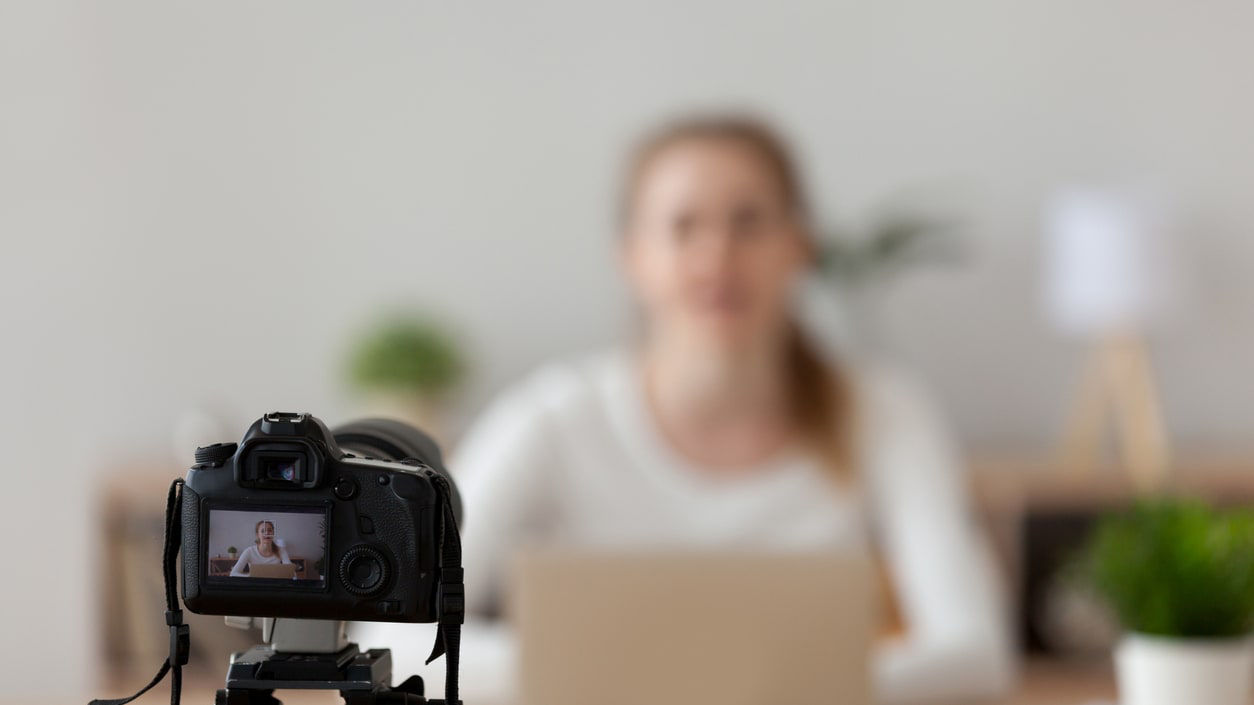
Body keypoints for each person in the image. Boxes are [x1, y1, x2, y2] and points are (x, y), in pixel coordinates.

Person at [364, 115, 1016, 703]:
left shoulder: (884, 412)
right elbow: (391, 640)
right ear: (633, 257)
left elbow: (975, 651)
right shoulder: (551, 418)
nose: (718, 257)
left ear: (799, 244)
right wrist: (655, 675)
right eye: (684, 226)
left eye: (749, 221)